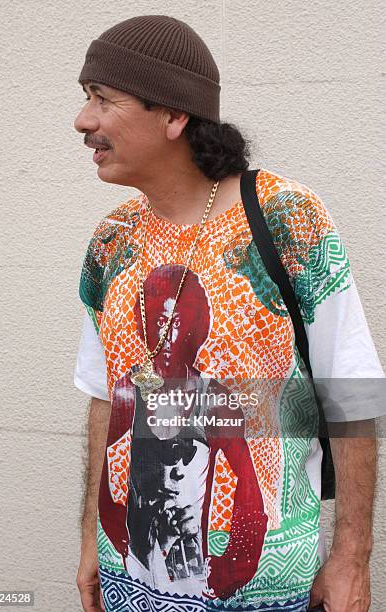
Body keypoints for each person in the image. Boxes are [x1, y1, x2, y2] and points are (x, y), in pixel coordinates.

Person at [73, 14, 386, 612]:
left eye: (103, 100)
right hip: (129, 583)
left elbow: (353, 392)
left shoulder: (286, 218)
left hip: (263, 595)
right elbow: (101, 401)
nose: (83, 121)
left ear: (173, 116)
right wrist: (92, 538)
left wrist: (351, 557)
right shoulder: (111, 242)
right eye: (86, 98)